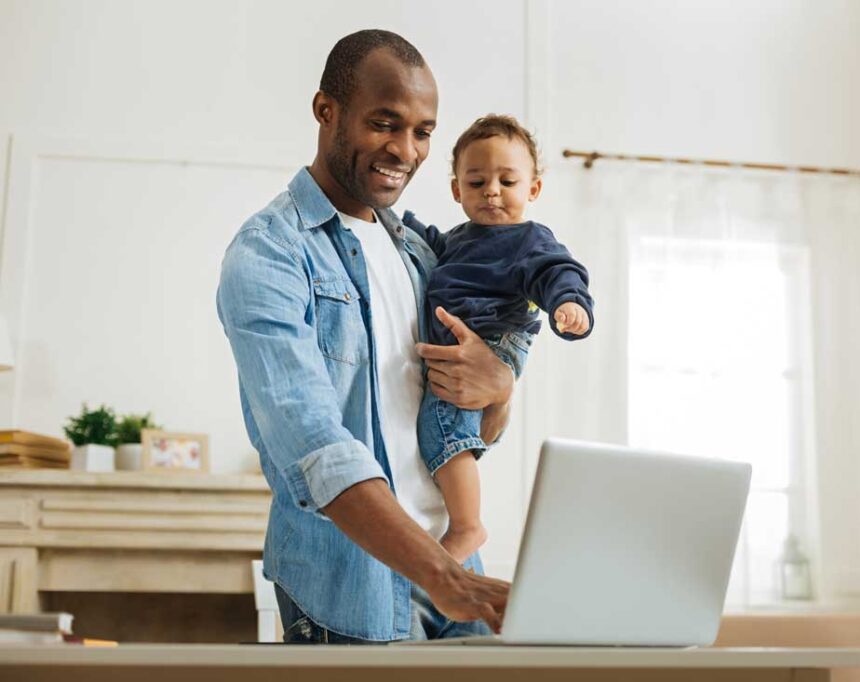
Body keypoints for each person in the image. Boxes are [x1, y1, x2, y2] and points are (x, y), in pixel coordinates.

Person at [216, 29, 514, 643]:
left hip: (456, 573)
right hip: (349, 590)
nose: (405, 150)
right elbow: (317, 450)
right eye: (384, 123)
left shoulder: (422, 254)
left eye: (423, 131)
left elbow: (469, 432)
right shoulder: (270, 252)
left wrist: (501, 389)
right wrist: (441, 576)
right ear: (327, 110)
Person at [403, 115, 594, 564]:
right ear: (457, 190)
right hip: (470, 343)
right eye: (476, 181)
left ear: (533, 189)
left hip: (496, 338)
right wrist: (399, 221)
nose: (491, 190)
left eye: (507, 181)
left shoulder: (528, 240)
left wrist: (570, 303)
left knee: (443, 428)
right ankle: (464, 521)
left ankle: (468, 526)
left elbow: (556, 271)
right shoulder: (461, 240)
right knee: (446, 429)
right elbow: (433, 248)